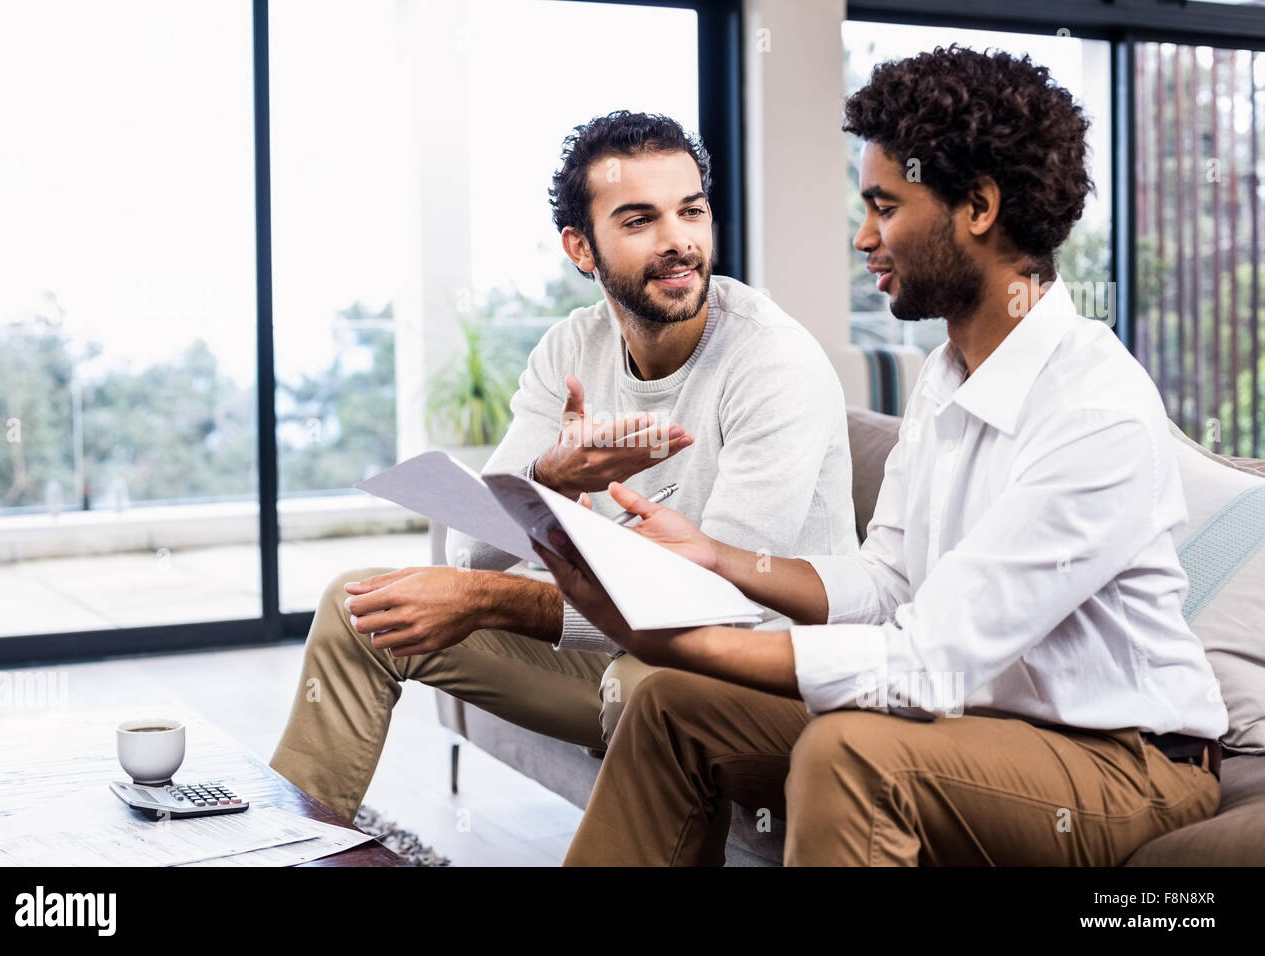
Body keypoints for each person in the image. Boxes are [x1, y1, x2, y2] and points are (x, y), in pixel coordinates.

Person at [537, 47, 1229, 866]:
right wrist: (718, 559)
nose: (863, 237)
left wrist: (679, 638)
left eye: (883, 206)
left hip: (1121, 763)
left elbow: (926, 662)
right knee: (672, 705)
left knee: (853, 752)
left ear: (977, 206)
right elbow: (889, 585)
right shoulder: (947, 377)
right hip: (972, 725)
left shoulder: (1092, 410)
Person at [269, 111, 858, 823]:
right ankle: (291, 842)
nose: (680, 242)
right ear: (581, 248)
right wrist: (548, 477)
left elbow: (713, 608)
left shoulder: (773, 362)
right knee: (359, 603)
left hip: (749, 677)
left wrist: (489, 599)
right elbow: (471, 550)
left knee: (646, 687)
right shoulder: (570, 348)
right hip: (626, 651)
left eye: (692, 211)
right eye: (640, 220)